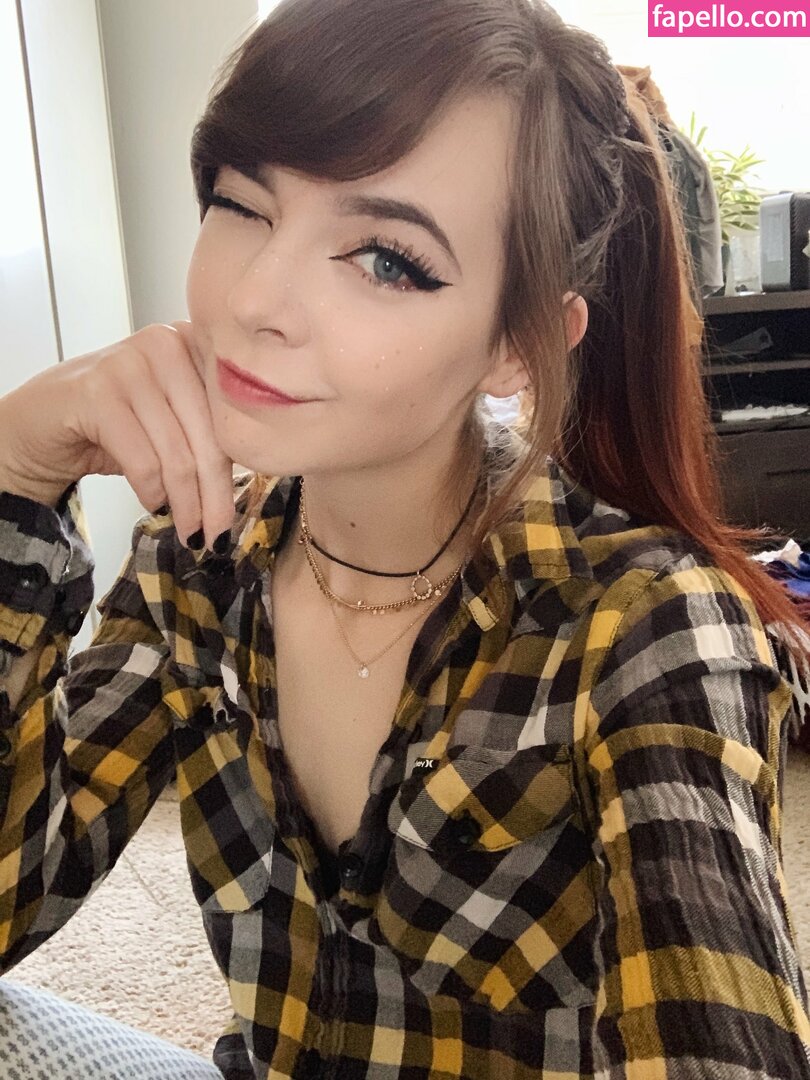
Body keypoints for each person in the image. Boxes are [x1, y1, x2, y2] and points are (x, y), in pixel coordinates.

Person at [0, 0, 808, 1076]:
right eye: (242, 203)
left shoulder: (646, 627)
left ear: (519, 344)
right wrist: (14, 470)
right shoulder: (195, 558)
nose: (254, 298)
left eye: (385, 259)